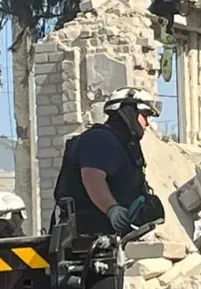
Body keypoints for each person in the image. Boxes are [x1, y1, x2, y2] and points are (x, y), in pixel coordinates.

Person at [52, 87, 165, 238]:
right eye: (145, 116)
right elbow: (92, 177)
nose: (147, 123)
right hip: (90, 236)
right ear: (130, 112)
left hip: (111, 235)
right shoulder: (100, 139)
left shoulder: (124, 144)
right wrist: (112, 209)